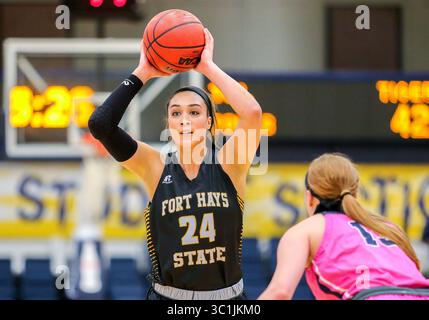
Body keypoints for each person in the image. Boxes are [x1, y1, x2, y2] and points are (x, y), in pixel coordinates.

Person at [88, 28, 262, 300]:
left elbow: (252, 113)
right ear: (168, 124)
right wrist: (143, 72)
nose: (184, 119)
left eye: (194, 112)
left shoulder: (229, 164)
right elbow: (100, 125)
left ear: (208, 122)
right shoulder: (154, 166)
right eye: (176, 113)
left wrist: (208, 67)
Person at [258, 153, 429, 300]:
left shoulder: (307, 229)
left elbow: (280, 293)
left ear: (309, 197)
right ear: (355, 194)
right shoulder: (386, 227)